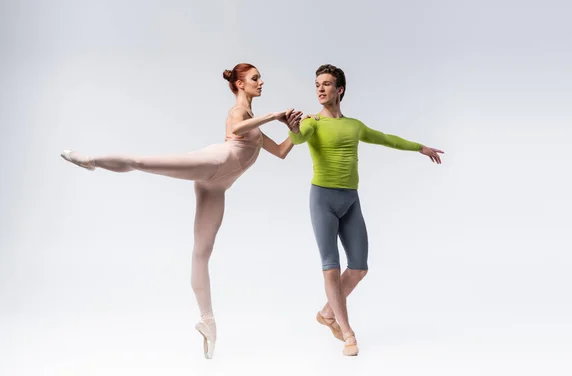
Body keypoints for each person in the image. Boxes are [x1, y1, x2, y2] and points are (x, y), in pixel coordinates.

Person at [60, 63, 303, 359]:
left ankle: (208, 322)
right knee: (144, 162)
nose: (261, 82)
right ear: (240, 85)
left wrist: (294, 132)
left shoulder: (255, 124)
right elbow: (235, 128)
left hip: (216, 188)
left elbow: (280, 151)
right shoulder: (238, 113)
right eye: (255, 78)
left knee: (201, 252)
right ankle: (90, 160)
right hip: (213, 163)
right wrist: (274, 115)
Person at [286, 64, 443, 356]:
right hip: (322, 200)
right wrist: (294, 128)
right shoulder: (312, 123)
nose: (320, 88)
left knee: (358, 267)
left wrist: (420, 147)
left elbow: (386, 138)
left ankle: (326, 313)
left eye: (327, 84)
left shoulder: (354, 125)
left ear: (340, 89)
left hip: (350, 200)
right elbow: (298, 138)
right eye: (317, 84)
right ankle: (348, 333)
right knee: (331, 268)